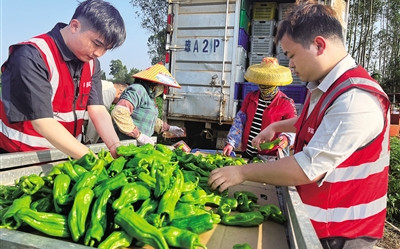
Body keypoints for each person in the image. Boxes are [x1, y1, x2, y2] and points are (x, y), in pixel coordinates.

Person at [208, 3, 390, 249]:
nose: (290, 65)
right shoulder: (327, 87)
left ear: (319, 45)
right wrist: (277, 126)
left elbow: (307, 169)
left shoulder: (354, 99)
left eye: (292, 55)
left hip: (342, 233)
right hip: (323, 223)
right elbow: (313, 122)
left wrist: (241, 172)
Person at [0, 0, 126, 159]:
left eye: (105, 49)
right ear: (74, 26)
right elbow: (42, 121)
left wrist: (116, 149)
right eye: (96, 44)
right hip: (20, 158)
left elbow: (98, 109)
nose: (99, 53)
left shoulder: (91, 63)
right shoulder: (32, 55)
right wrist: (92, 160)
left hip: (66, 156)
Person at [223, 57, 297, 159]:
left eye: (268, 84)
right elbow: (239, 122)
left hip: (270, 156)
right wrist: (231, 143)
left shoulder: (286, 103)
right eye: (262, 83)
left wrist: (285, 138)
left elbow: (293, 127)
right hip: (248, 152)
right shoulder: (251, 97)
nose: (265, 86)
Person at [111, 63, 185, 145]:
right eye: (162, 86)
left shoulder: (150, 97)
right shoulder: (138, 90)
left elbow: (148, 118)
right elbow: (119, 112)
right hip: (125, 142)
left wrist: (169, 128)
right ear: (154, 83)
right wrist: (138, 135)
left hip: (137, 144)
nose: (163, 89)